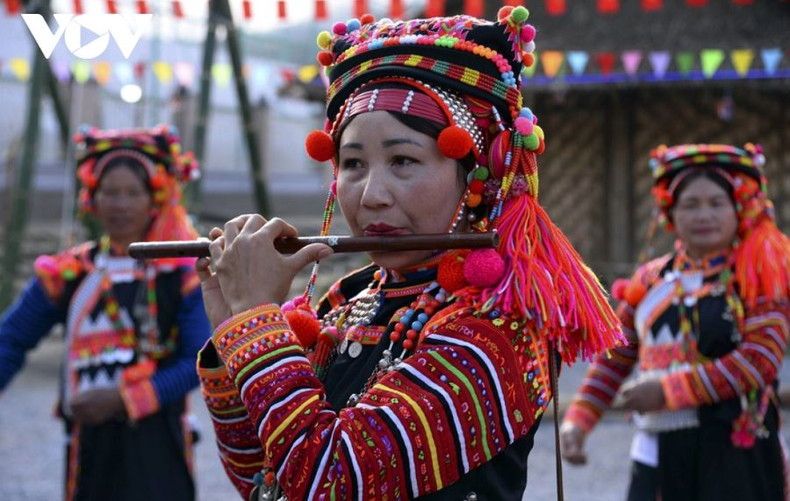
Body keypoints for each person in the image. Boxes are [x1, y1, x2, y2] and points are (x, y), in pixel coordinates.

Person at [196, 9, 623, 500]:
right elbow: (263, 479)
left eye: (403, 160)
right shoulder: (348, 299)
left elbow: (331, 482)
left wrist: (255, 319)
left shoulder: (500, 328)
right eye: (353, 163)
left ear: (476, 174)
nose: (371, 193)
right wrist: (230, 326)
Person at [560, 143, 790, 500]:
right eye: (690, 204)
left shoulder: (758, 273)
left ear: (739, 209)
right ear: (670, 212)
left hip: (738, 454)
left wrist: (668, 392)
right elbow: (617, 354)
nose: (704, 215)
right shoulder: (651, 281)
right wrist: (580, 417)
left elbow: (759, 360)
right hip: (658, 451)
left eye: (716, 203)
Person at [0, 124, 212, 501]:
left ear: (155, 198)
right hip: (88, 447)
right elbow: (11, 339)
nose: (121, 204)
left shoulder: (181, 274)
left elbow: (197, 361)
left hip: (159, 444)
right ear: (92, 198)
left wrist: (122, 399)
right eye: (110, 192)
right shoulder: (69, 273)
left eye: (133, 192)